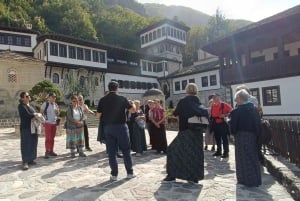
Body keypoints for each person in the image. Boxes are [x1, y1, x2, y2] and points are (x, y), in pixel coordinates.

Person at [163, 83, 209, 183]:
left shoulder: (183, 101)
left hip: (186, 132)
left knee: (173, 151)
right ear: (196, 91)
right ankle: (194, 177)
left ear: (186, 91)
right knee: (195, 154)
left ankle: (172, 174)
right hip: (198, 133)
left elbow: (175, 114)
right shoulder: (198, 102)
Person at [96, 81, 136, 181]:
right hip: (121, 127)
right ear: (117, 88)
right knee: (126, 150)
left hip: (108, 128)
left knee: (111, 152)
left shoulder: (103, 100)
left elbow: (98, 116)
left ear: (109, 88)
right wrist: (134, 104)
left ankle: (114, 175)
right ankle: (129, 172)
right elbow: (133, 110)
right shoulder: (122, 98)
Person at [230, 89, 262, 187]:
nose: (236, 101)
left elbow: (233, 127)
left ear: (240, 98)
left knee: (242, 158)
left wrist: (233, 132)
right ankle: (255, 179)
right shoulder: (254, 109)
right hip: (252, 136)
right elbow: (258, 124)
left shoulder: (236, 111)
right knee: (253, 157)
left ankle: (244, 179)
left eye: (236, 99)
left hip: (241, 136)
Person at [18, 92, 41, 170]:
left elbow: (34, 114)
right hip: (26, 128)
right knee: (26, 144)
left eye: (29, 96)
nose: (29, 97)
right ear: (22, 98)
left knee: (33, 143)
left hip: (33, 127)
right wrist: (36, 115)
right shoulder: (21, 106)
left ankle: (31, 159)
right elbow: (27, 115)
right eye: (27, 96)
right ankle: (25, 161)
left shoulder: (31, 106)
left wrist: (36, 115)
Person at [210, 93, 232, 158]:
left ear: (219, 98)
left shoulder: (224, 105)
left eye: (215, 97)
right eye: (213, 98)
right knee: (217, 138)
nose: (214, 99)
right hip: (215, 124)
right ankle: (219, 151)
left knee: (224, 138)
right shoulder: (212, 106)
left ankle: (226, 152)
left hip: (222, 124)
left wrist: (225, 115)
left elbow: (232, 111)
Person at [40, 92, 60, 159]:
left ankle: (51, 150)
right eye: (53, 97)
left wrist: (57, 112)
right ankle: (47, 151)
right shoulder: (45, 104)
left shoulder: (56, 105)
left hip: (54, 123)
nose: (54, 98)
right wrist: (43, 121)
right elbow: (41, 113)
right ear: (49, 97)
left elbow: (58, 114)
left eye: (55, 97)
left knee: (52, 138)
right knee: (48, 138)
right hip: (48, 123)